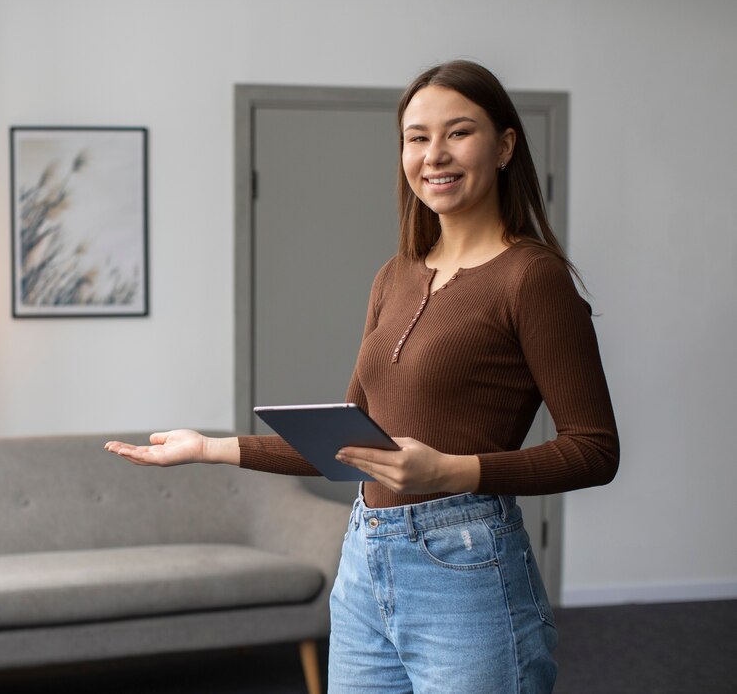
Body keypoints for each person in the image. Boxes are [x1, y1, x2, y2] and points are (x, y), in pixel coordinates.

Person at [105, 60, 619, 694]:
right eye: (416, 136)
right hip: (365, 561)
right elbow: (349, 444)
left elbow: (595, 451)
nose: (435, 154)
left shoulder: (531, 278)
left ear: (505, 145)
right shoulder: (394, 276)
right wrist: (211, 448)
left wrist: (454, 470)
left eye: (458, 133)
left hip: (465, 567)